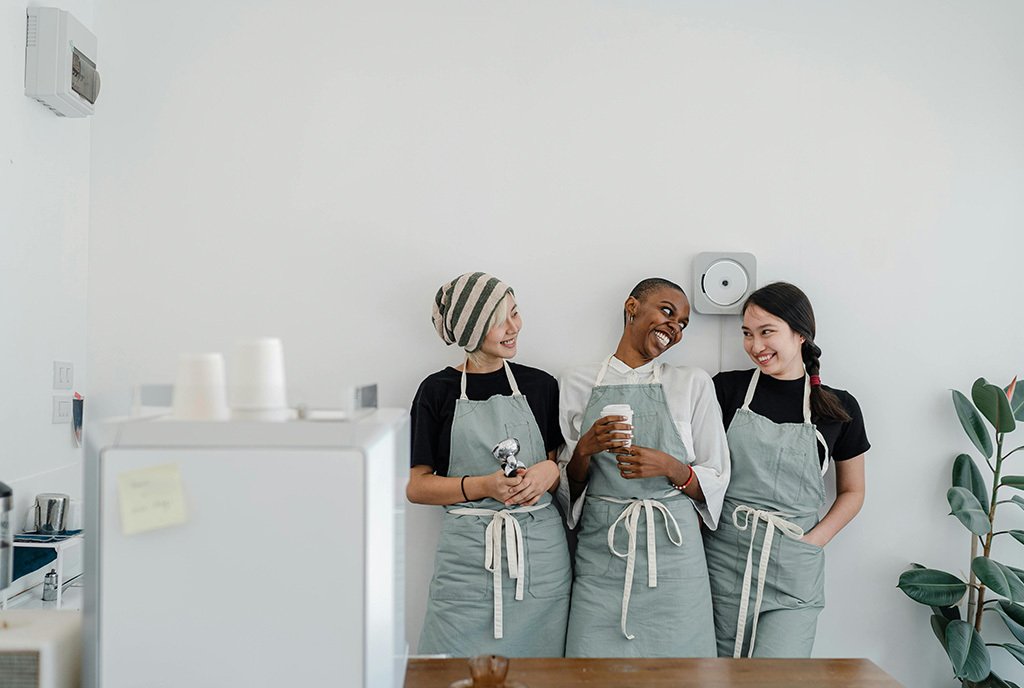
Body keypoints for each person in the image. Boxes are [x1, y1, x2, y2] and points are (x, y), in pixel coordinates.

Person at [558, 277, 730, 657]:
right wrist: (585, 448)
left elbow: (717, 478)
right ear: (632, 306)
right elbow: (568, 489)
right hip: (604, 551)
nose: (675, 327)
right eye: (667, 312)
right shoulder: (576, 382)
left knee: (684, 675)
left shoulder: (693, 383)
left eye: (683, 324)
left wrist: (673, 467)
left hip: (675, 555)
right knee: (591, 673)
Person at [409, 272, 570, 657]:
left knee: (540, 675)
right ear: (472, 330)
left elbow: (560, 461)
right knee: (448, 672)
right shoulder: (436, 391)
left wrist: (550, 473)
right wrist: (484, 486)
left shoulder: (541, 385)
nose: (514, 327)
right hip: (467, 561)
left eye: (515, 313)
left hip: (540, 558)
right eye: (501, 321)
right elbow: (417, 486)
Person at [704, 282, 869, 658]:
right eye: (747, 334)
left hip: (793, 567)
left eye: (767, 332)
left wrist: (813, 542)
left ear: (800, 334)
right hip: (722, 561)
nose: (755, 345)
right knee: (711, 677)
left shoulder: (839, 408)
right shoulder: (725, 390)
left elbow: (853, 492)